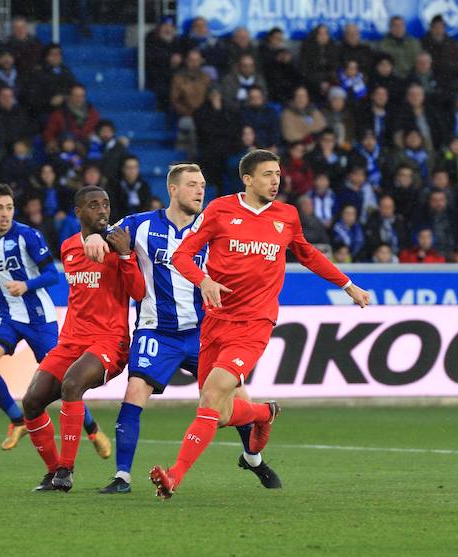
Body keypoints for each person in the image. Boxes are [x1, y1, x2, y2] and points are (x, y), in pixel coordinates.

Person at [149, 150, 369, 499]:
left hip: (254, 323)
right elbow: (182, 255)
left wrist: (348, 285)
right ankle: (263, 413)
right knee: (217, 413)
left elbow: (308, 254)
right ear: (248, 180)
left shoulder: (287, 216)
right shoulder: (220, 210)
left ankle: (174, 476)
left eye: (277, 174)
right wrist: (203, 281)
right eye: (267, 174)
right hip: (216, 322)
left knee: (212, 394)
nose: (275, 180)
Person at [83, 164, 282, 494]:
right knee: (134, 392)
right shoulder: (141, 224)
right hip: (157, 331)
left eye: (202, 185)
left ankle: (254, 458)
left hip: (205, 331)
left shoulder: (214, 223)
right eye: (192, 185)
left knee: (232, 404)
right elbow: (107, 233)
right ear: (172, 190)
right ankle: (122, 477)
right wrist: (92, 236)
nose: (200, 191)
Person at [0, 184, 110, 453]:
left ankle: (93, 430)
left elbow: (53, 274)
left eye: (9, 207)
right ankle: (17, 421)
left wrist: (26, 285)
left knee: (63, 380)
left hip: (39, 319)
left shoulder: (28, 236)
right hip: (7, 316)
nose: (5, 214)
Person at [22, 185, 145, 492]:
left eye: (105, 204)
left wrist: (126, 255)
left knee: (72, 385)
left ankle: (66, 468)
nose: (102, 210)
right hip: (71, 341)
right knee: (32, 401)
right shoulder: (67, 247)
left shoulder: (119, 243)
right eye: (93, 205)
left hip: (109, 341)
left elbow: (139, 293)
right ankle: (52, 473)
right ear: (79, 212)